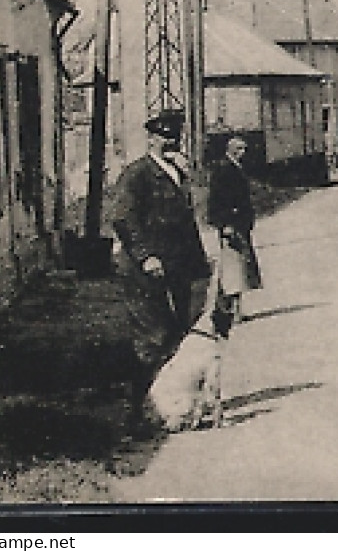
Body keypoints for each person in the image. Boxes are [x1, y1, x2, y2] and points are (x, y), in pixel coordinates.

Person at [109, 109, 211, 435]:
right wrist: (145, 256)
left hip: (177, 267)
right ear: (150, 138)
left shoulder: (177, 173)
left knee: (179, 336)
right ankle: (137, 411)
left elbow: (187, 222)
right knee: (152, 337)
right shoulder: (136, 174)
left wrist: (198, 263)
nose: (170, 142)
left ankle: (172, 404)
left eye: (174, 137)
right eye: (164, 137)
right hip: (144, 270)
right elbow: (123, 218)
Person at [207, 135, 262, 329]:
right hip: (231, 226)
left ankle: (233, 309)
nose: (243, 153)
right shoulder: (223, 170)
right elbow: (217, 201)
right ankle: (233, 312)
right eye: (239, 149)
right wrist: (224, 224)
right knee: (234, 268)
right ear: (230, 150)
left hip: (240, 224)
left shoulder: (236, 168)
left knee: (240, 266)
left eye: (244, 149)